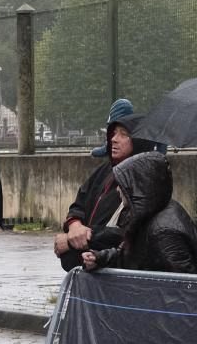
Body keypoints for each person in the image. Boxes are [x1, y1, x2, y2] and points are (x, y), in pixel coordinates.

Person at [54, 108, 161, 271]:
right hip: (89, 271)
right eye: (113, 133)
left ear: (139, 140)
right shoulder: (104, 171)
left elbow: (125, 233)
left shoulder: (144, 182)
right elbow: (79, 203)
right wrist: (74, 226)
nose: (114, 139)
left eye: (123, 134)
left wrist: (74, 241)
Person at [82, 152, 197, 275]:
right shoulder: (151, 212)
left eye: (121, 185)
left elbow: (183, 285)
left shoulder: (163, 231)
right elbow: (129, 255)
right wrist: (99, 258)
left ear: (137, 187)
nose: (117, 190)